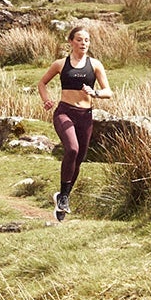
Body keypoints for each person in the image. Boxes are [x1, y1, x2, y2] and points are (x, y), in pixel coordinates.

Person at [36, 23, 113, 221]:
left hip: (85, 116)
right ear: (71, 42)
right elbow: (42, 83)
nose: (83, 43)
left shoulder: (95, 65)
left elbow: (108, 92)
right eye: (79, 39)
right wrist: (46, 100)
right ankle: (63, 198)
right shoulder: (60, 64)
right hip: (64, 112)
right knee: (72, 149)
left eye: (86, 40)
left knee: (79, 159)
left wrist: (94, 93)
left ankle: (63, 198)